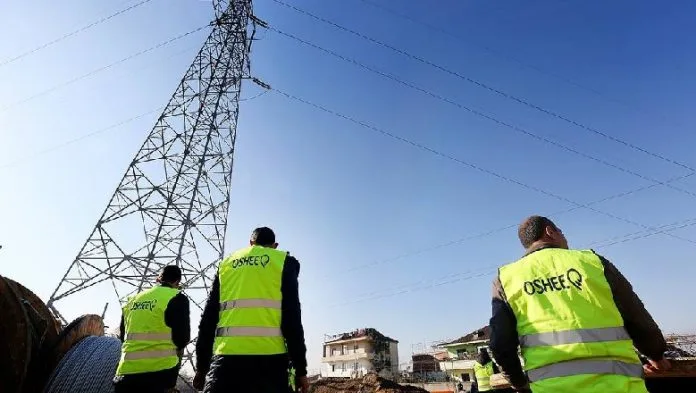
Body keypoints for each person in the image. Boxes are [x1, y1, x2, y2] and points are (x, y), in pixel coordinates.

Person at [489, 215, 670, 393]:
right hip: (621, 385)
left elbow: (501, 343)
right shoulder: (593, 262)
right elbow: (634, 313)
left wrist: (519, 382)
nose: (565, 237)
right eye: (561, 232)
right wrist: (655, 354)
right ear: (550, 231)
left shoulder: (506, 278)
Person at [194, 227, 309, 393]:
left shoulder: (226, 264)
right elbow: (292, 319)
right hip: (271, 363)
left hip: (226, 362)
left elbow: (209, 319)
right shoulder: (283, 261)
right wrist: (300, 370)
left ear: (250, 243)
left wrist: (202, 367)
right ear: (275, 245)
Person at [113, 265, 191, 393]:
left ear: (158, 279)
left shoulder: (132, 300)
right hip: (161, 374)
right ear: (177, 282)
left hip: (126, 372)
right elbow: (182, 339)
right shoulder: (177, 297)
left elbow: (123, 336)